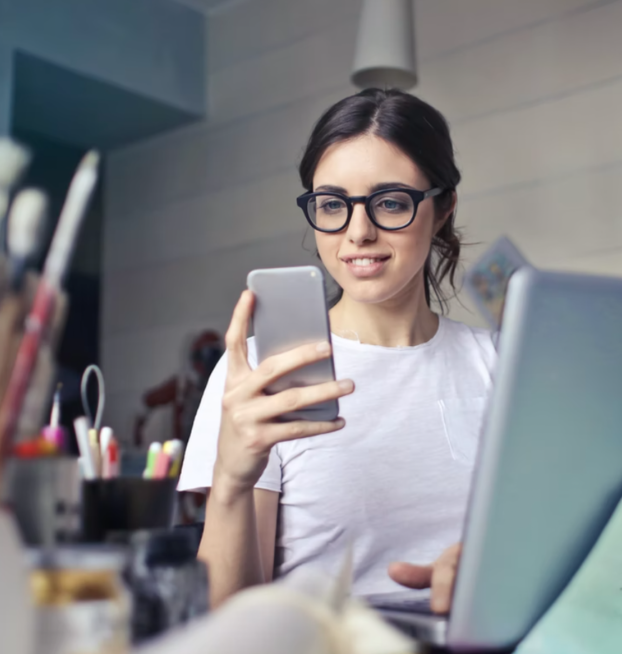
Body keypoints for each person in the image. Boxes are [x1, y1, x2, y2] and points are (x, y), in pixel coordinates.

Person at [179, 88, 496, 612]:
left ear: (442, 209)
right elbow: (230, 629)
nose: (358, 232)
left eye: (390, 202)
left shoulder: (501, 365)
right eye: (332, 205)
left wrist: (494, 570)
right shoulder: (262, 373)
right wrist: (232, 480)